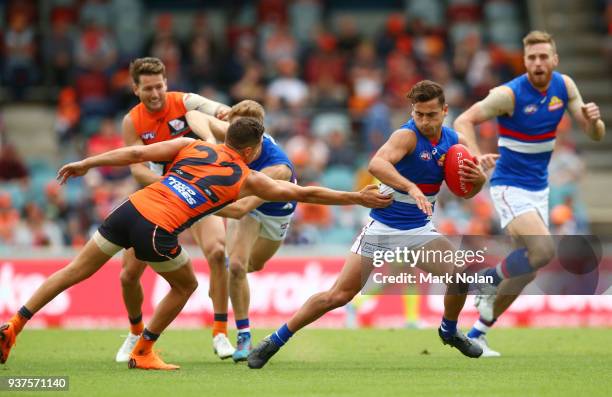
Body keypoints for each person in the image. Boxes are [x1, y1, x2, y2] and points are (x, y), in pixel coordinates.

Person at [0, 117, 391, 370]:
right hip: (158, 228)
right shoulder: (246, 178)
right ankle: (144, 350)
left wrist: (88, 163)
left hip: (130, 208)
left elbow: (138, 152)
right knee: (186, 285)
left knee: (73, 271)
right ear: (253, 150)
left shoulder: (193, 145)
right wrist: (357, 197)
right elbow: (307, 193)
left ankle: (15, 325)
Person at [247, 80, 488, 369]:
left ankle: (448, 332)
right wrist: (411, 188)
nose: (423, 121)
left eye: (430, 115)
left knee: (459, 277)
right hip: (382, 228)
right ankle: (275, 339)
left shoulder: (453, 142)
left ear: (445, 111)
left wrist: (478, 182)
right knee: (338, 295)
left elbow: (466, 191)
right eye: (418, 114)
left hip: (418, 231)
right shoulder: (406, 137)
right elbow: (377, 164)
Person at [453, 31, 606, 357]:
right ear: (525, 62)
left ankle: (478, 333)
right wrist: (477, 154)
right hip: (509, 184)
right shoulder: (509, 94)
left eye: (543, 56)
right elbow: (464, 120)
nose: (537, 62)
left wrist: (594, 122)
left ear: (554, 59)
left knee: (530, 267)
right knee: (544, 250)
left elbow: (595, 134)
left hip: (539, 188)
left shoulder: (564, 86)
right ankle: (486, 280)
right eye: (531, 58)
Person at [116, 57, 237, 362]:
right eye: (148, 88)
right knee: (128, 275)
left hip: (196, 194)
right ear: (135, 89)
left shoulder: (184, 103)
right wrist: (169, 183)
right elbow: (137, 170)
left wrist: (223, 112)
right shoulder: (132, 122)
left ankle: (220, 331)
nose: (155, 93)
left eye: (159, 86)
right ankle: (134, 331)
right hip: (158, 197)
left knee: (217, 251)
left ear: (166, 84)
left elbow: (214, 108)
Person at [186, 100, 296, 361]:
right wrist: (212, 139)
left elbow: (238, 208)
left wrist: (192, 201)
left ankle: (224, 277)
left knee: (252, 265)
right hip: (246, 210)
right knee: (236, 266)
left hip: (272, 212)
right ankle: (244, 335)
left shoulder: (277, 167)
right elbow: (193, 114)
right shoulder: (235, 135)